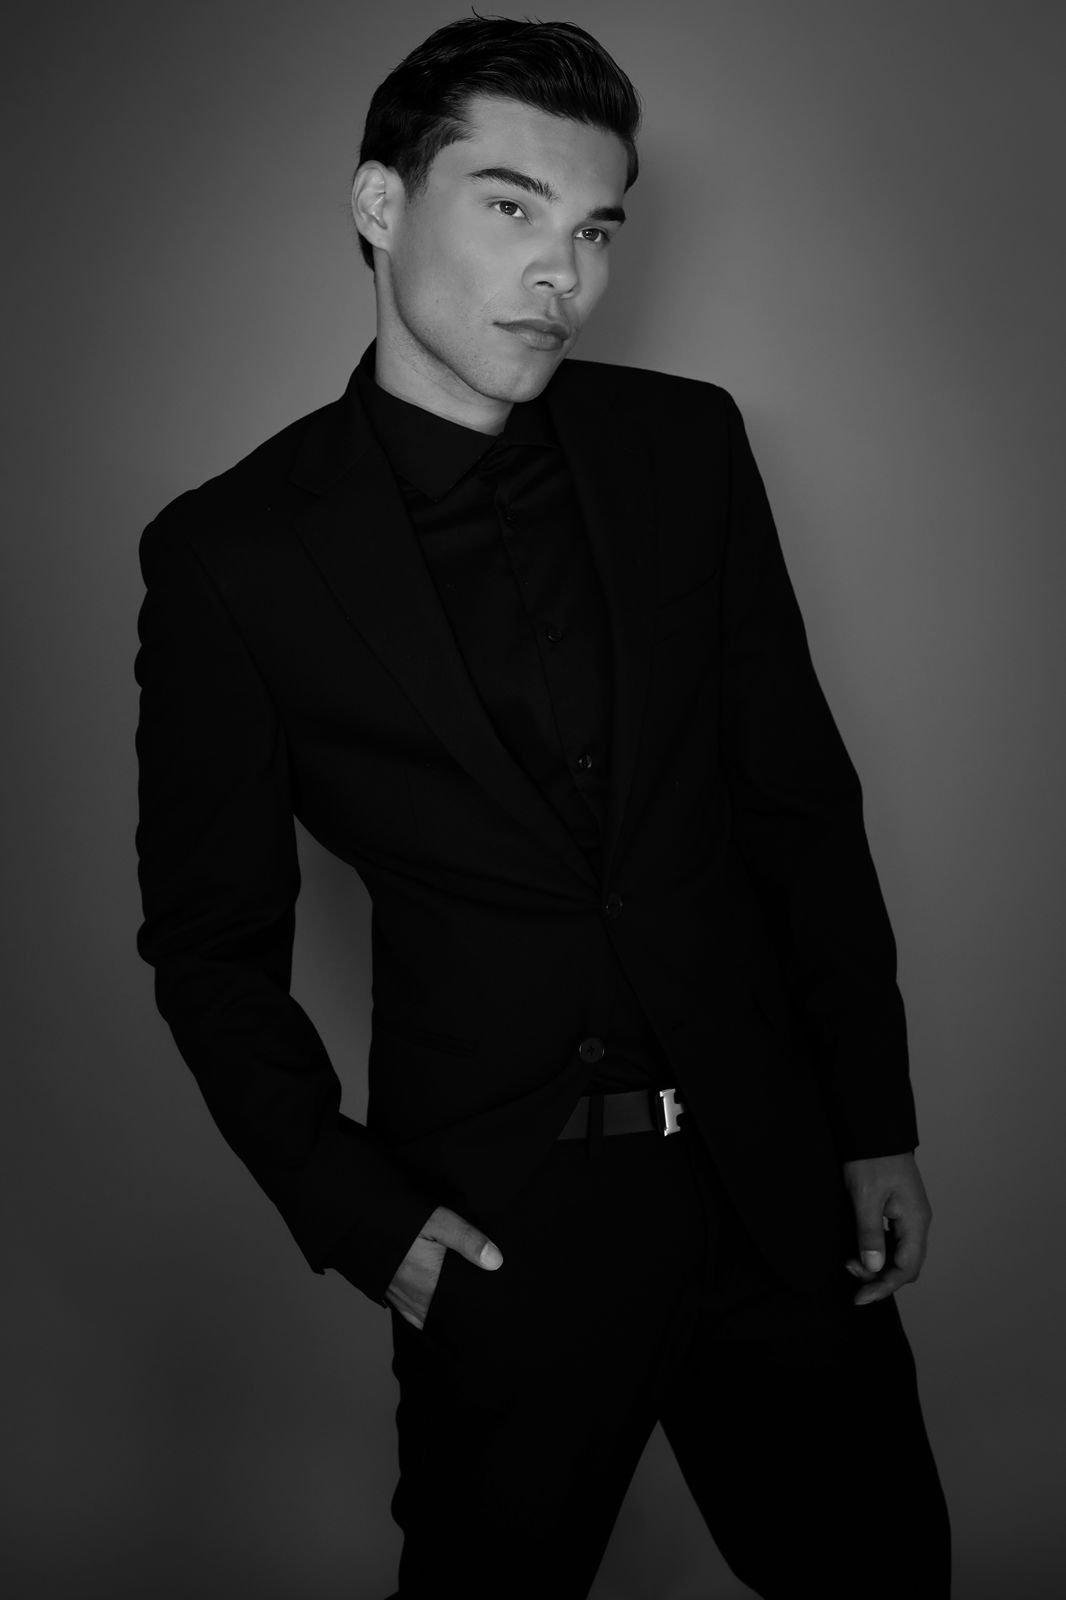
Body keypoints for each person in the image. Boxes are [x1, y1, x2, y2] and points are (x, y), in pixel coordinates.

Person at [133, 14, 952, 1598]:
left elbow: (795, 803)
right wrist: (367, 1222)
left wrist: (872, 1123)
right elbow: (208, 948)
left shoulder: (685, 448)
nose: (560, 273)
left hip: (775, 1186)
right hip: (500, 1229)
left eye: (592, 229)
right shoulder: (231, 556)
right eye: (510, 206)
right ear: (380, 204)